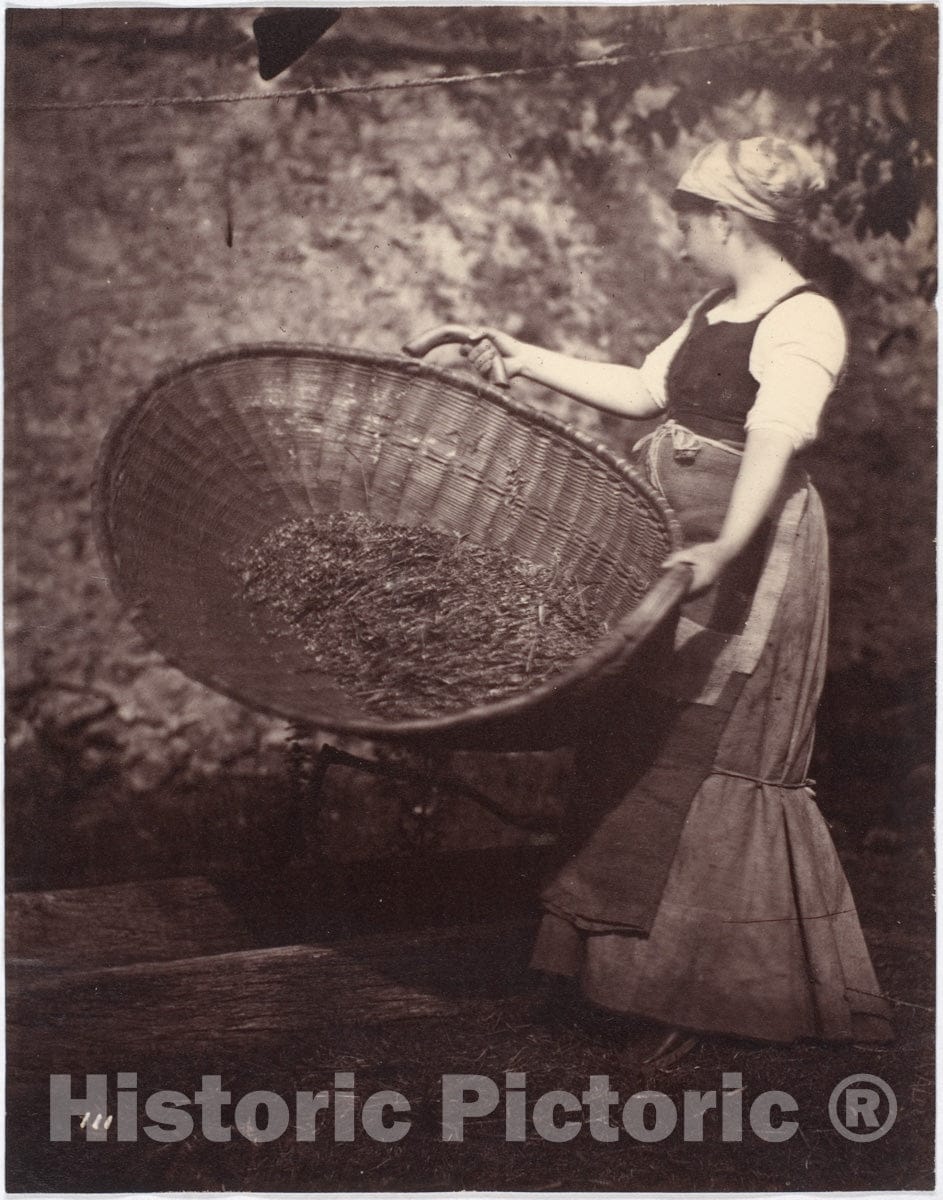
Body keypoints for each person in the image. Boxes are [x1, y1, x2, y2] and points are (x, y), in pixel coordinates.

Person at [459, 136, 894, 1060]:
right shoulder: (714, 308)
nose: (679, 237)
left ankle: (710, 995)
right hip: (676, 549)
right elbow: (640, 391)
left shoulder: (801, 322)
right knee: (641, 740)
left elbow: (771, 445)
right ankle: (612, 978)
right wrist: (517, 353)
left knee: (712, 744)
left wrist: (722, 549)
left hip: (744, 558)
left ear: (728, 220)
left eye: (687, 220)